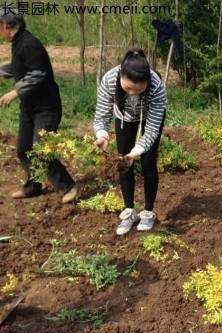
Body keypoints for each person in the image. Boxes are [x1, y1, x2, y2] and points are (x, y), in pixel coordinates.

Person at [0, 12, 77, 202]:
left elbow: (37, 73)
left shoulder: (29, 43)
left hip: (46, 108)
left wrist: (15, 91)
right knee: (24, 149)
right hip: (30, 108)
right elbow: (20, 66)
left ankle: (69, 186)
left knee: (41, 149)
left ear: (7, 26)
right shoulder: (18, 43)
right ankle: (33, 187)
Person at [93, 49, 167, 235]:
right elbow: (101, 115)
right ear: (120, 76)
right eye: (127, 89)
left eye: (139, 90)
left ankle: (148, 212)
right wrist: (101, 134)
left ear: (147, 83)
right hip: (124, 117)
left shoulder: (156, 86)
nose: (133, 93)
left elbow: (151, 130)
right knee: (122, 162)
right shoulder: (110, 80)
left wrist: (137, 152)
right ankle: (129, 211)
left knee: (148, 161)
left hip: (148, 117)